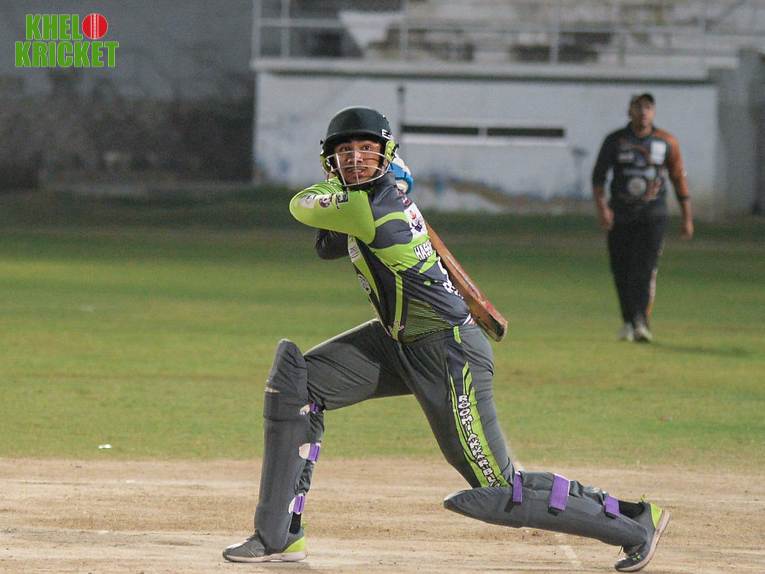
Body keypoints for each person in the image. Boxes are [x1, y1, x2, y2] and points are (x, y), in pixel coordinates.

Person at [223, 106, 670, 572]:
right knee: (298, 384)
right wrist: (380, 182)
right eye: (345, 151)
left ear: (386, 154)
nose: (355, 158)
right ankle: (279, 535)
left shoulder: (371, 206)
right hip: (396, 342)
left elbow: (301, 205)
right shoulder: (378, 197)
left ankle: (635, 524)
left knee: (501, 489)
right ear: (331, 158)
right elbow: (328, 246)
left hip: (447, 351)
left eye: (367, 149)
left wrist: (349, 186)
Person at [592, 93, 694, 343]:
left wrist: (687, 217)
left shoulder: (666, 141)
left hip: (653, 215)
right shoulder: (616, 140)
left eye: (648, 107)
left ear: (654, 112)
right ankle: (628, 321)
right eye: (638, 107)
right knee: (621, 269)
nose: (643, 112)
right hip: (620, 214)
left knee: (644, 269)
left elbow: (678, 177)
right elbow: (598, 176)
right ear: (629, 111)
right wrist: (602, 208)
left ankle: (641, 322)